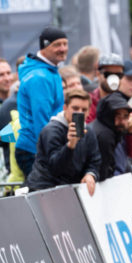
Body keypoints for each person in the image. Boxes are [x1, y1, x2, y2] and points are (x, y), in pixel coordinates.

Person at [24, 89, 100, 195]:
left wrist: (90, 174)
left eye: (84, 109)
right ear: (65, 108)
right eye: (75, 108)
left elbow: (94, 160)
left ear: (89, 112)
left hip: (69, 189)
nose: (79, 113)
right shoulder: (51, 130)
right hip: (45, 189)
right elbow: (55, 167)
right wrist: (70, 146)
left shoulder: (88, 131)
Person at [16, 27, 69, 176]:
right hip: (35, 150)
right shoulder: (40, 77)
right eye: (57, 44)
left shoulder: (50, 71)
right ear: (44, 47)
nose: (63, 49)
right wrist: (53, 152)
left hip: (40, 148)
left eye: (65, 44)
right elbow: (42, 120)